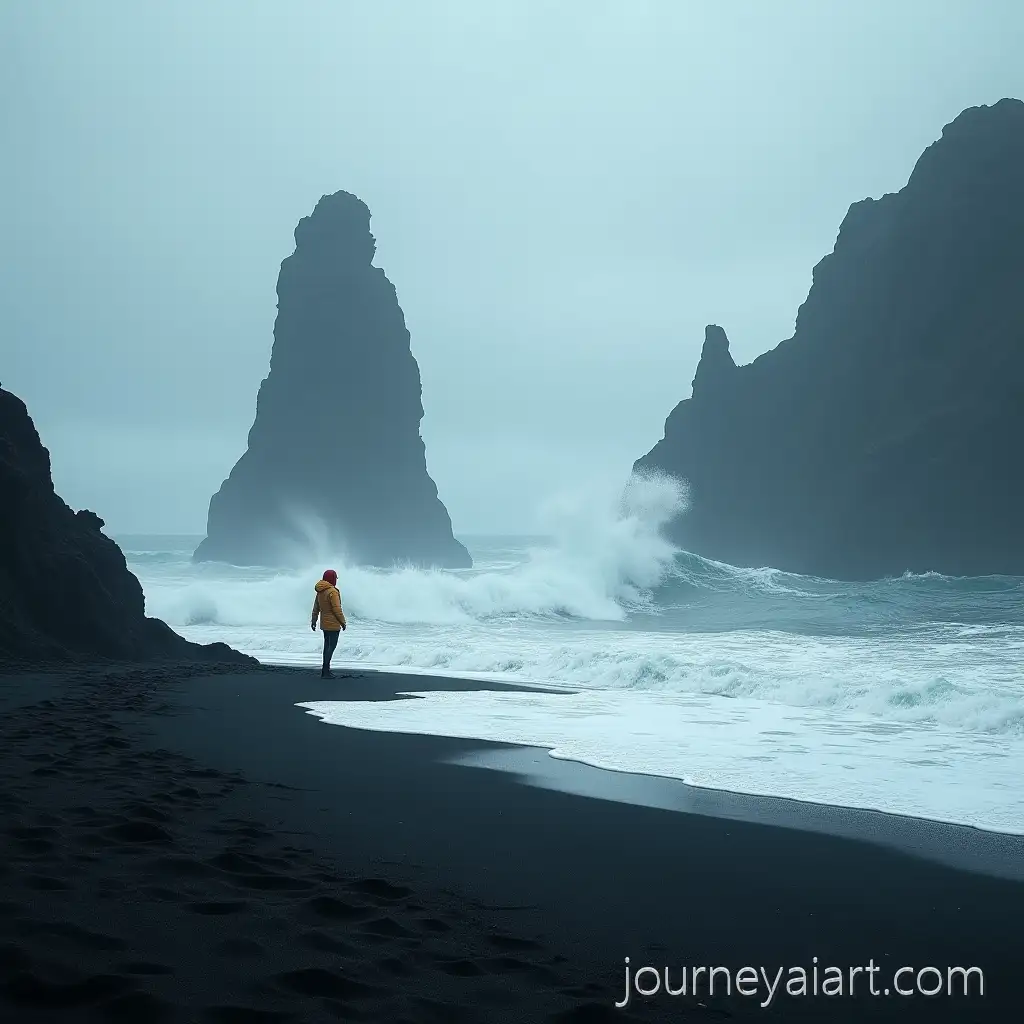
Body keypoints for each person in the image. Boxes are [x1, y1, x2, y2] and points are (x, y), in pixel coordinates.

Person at [311, 569, 347, 678]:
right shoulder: (332, 591)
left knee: (327, 646)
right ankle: (326, 671)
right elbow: (337, 609)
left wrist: (314, 621)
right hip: (333, 624)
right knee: (331, 647)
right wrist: (343, 622)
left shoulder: (320, 591)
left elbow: (316, 608)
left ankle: (325, 670)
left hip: (324, 624)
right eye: (335, 578)